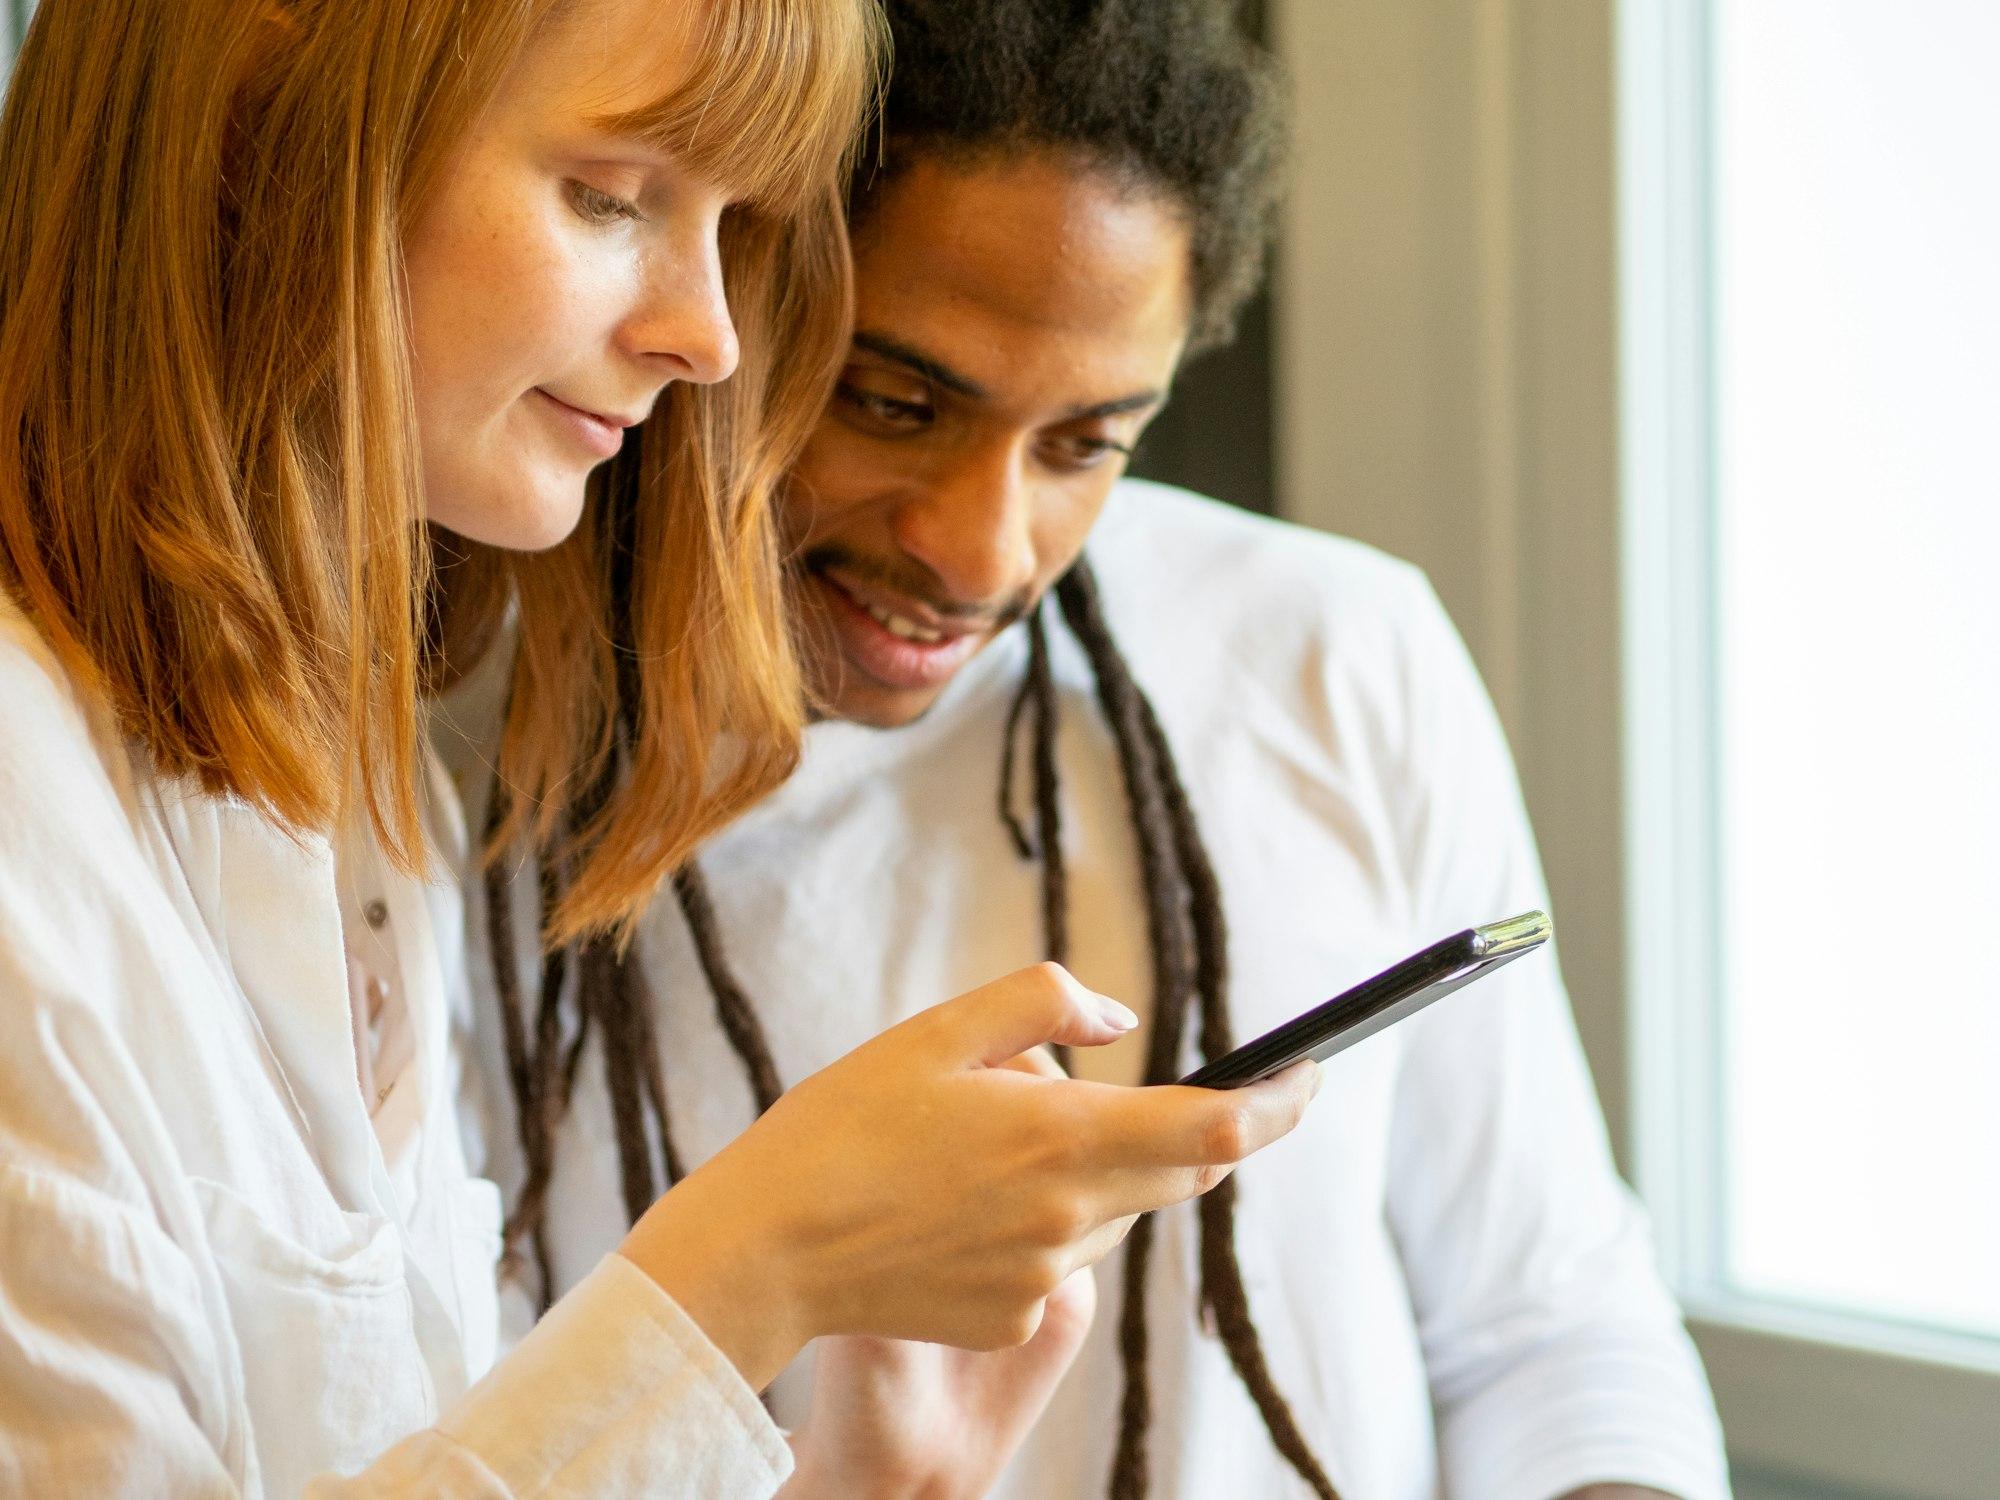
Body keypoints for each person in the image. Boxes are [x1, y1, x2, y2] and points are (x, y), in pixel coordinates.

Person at [0, 2, 1320, 1495]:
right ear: (262, 119)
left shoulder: (359, 800)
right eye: (611, 198)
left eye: (731, 222)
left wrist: (881, 1483)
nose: (709, 338)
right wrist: (754, 1264)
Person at [462, 1, 1736, 1497]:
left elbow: (1551, 1325)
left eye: (1085, 445)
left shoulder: (1331, 655)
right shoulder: (469, 755)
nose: (981, 549)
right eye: (893, 401)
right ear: (728, 287)